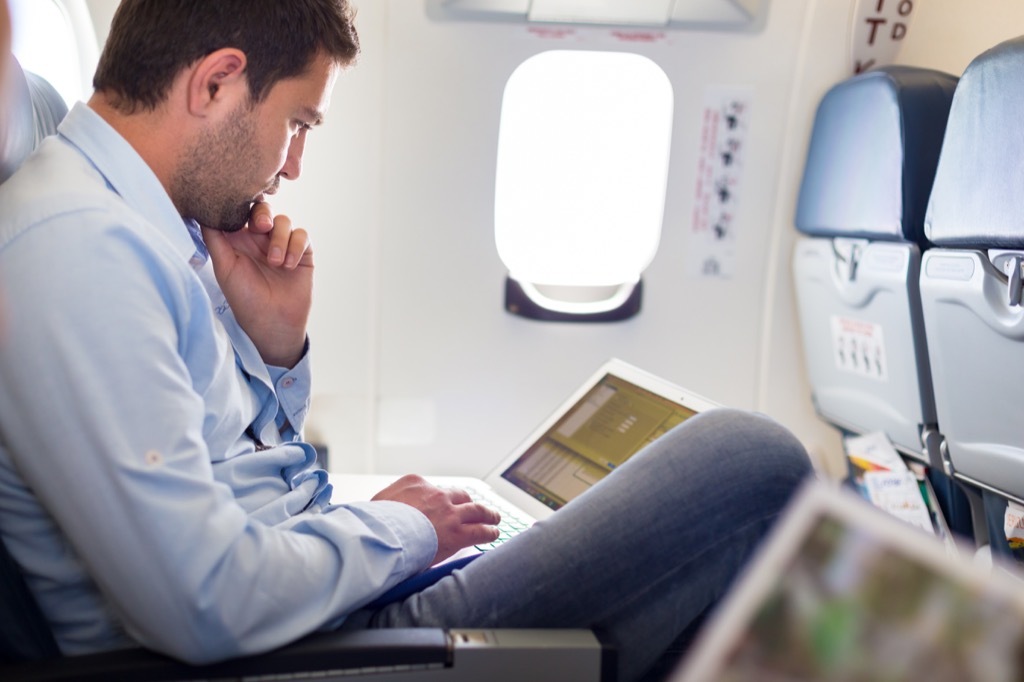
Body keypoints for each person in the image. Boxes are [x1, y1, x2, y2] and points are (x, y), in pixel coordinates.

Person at [0, 1, 813, 679]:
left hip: (318, 610)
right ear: (216, 82)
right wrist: (403, 532)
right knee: (750, 462)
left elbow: (243, 478)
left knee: (709, 601)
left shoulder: (147, 223)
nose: (292, 168)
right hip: (290, 656)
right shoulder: (79, 249)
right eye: (297, 123)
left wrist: (275, 354)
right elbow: (201, 600)